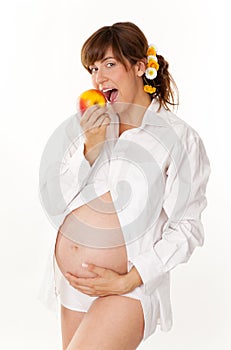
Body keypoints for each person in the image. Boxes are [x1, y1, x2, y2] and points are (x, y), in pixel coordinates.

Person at [39, 21, 211, 350]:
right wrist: (91, 148)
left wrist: (127, 280)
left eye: (109, 64)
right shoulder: (92, 125)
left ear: (139, 67)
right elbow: (58, 201)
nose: (98, 78)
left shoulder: (178, 138)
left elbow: (187, 227)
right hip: (73, 285)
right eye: (93, 68)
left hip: (128, 287)